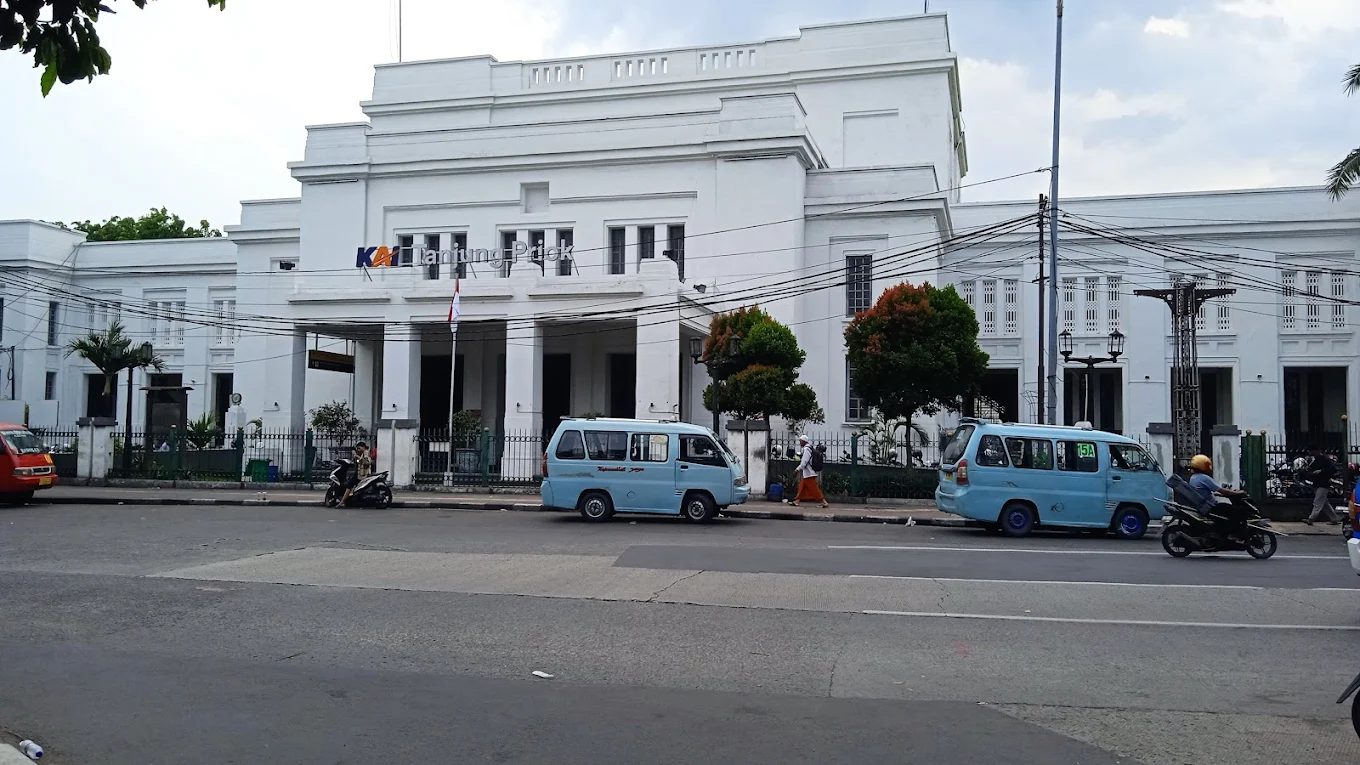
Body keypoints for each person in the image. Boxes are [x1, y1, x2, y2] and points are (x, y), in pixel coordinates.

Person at [788, 434, 829, 509]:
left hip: (809, 473)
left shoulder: (806, 449)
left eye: (800, 441)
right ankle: (797, 501)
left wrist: (797, 469)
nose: (800, 442)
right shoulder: (809, 448)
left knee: (814, 489)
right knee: (802, 486)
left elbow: (804, 462)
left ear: (804, 441)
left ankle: (824, 502)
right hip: (808, 473)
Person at [1304, 444, 1340, 525]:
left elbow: (1333, 470)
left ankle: (1311, 519)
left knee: (1318, 502)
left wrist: (1321, 471)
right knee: (1324, 504)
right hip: (1317, 484)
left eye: (1313, 450)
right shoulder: (1314, 460)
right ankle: (1334, 519)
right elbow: (1310, 471)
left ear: (1318, 451)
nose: (1312, 452)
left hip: (1323, 484)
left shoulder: (1325, 460)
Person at [339, 442, 372, 506]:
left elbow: (367, 462)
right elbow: (359, 462)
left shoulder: (366, 453)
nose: (358, 450)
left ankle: (342, 501)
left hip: (363, 474)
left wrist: (357, 457)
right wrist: (356, 458)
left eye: (359, 448)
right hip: (360, 473)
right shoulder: (363, 453)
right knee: (351, 484)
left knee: (349, 485)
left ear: (363, 447)